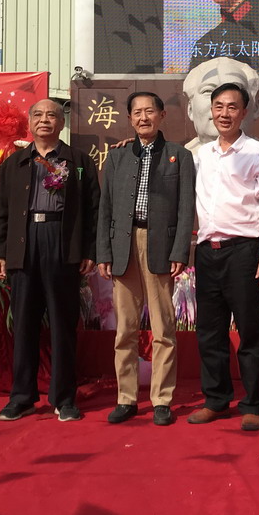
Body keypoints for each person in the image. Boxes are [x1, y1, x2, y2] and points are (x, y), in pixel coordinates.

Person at [0, 98, 100, 422]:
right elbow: (2, 212)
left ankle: (64, 398)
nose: (45, 120)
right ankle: (22, 397)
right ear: (30, 123)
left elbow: (92, 209)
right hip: (24, 244)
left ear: (61, 123)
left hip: (61, 244)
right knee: (24, 323)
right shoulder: (14, 164)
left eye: (52, 115)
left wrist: (89, 251)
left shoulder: (78, 162)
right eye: (38, 114)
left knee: (63, 324)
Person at [96, 92, 196, 426]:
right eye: (137, 112)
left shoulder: (179, 156)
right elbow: (106, 208)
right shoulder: (117, 156)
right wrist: (104, 252)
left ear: (162, 115)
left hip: (160, 247)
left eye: (149, 111)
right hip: (123, 246)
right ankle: (126, 399)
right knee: (125, 329)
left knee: (163, 328)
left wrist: (179, 251)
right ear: (129, 119)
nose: (143, 118)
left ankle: (162, 400)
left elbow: (185, 208)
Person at [188, 82, 259, 432]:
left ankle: (253, 403)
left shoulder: (258, 152)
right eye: (218, 106)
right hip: (207, 252)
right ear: (210, 111)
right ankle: (215, 399)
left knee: (249, 330)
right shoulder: (201, 154)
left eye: (232, 107)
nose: (224, 113)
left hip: (244, 252)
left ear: (244, 112)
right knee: (209, 332)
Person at [182, 56, 259, 157]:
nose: (223, 112)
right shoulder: (182, 158)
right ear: (190, 108)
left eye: (234, 89)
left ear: (256, 108)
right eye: (208, 90)